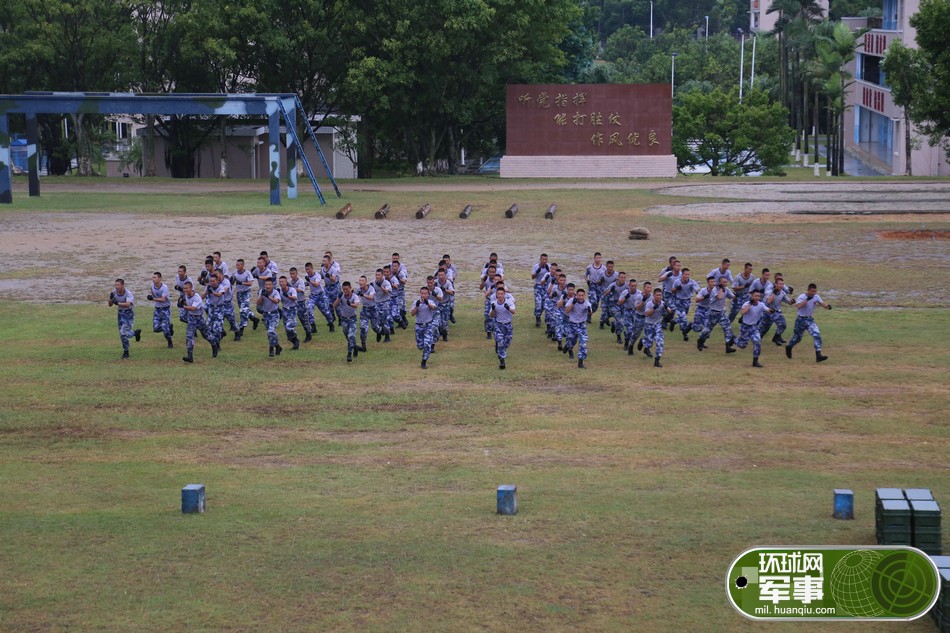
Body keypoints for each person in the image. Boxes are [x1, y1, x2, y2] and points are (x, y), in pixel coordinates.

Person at [786, 283, 831, 363]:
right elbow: (798, 306)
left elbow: (822, 303)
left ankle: (818, 355)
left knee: (816, 335)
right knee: (797, 338)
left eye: (815, 291)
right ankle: (789, 347)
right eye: (812, 291)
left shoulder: (816, 296)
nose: (813, 293)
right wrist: (807, 299)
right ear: (808, 290)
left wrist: (827, 306)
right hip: (800, 320)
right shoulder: (802, 297)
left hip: (810, 319)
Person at [180, 280, 218, 363]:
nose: (185, 290)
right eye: (184, 288)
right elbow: (186, 302)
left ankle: (214, 344)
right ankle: (190, 356)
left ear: (191, 288)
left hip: (199, 318)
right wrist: (182, 302)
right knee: (189, 336)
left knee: (206, 335)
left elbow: (193, 308)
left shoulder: (197, 298)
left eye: (186, 288)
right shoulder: (186, 295)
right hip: (191, 318)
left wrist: (183, 306)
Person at [697, 276, 737, 353]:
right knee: (707, 330)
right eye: (723, 282)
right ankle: (700, 341)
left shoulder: (726, 289)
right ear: (719, 283)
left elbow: (732, 297)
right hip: (713, 313)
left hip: (721, 313)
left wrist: (736, 295)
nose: (725, 284)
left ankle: (728, 346)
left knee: (727, 328)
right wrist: (721, 289)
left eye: (726, 282)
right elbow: (719, 297)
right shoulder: (715, 290)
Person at [734, 289, 772, 367]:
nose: (757, 297)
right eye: (755, 296)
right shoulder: (746, 303)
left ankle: (755, 361)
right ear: (752, 296)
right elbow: (743, 312)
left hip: (754, 327)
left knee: (757, 342)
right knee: (742, 345)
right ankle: (733, 339)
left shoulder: (761, 304)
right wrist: (750, 304)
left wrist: (772, 310)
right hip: (745, 327)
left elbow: (767, 310)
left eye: (758, 296)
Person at [559, 286, 592, 368]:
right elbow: (566, 311)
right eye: (579, 295)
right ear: (576, 295)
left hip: (581, 325)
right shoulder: (571, 300)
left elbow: (590, 314)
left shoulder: (587, 303)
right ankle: (568, 346)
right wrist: (573, 303)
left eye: (582, 296)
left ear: (584, 296)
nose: (580, 297)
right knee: (571, 341)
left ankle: (580, 362)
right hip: (572, 324)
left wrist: (589, 310)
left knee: (583, 343)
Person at [108, 278, 141, 359]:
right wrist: (110, 299)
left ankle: (127, 350)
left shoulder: (128, 293)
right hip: (120, 314)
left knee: (123, 333)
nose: (116, 287)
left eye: (118, 285)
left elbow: (128, 304)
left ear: (122, 285)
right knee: (121, 334)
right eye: (115, 285)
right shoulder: (114, 292)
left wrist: (118, 303)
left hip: (128, 315)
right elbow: (110, 305)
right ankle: (126, 350)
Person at [760, 275, 795, 345]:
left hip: (777, 312)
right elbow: (768, 302)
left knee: (783, 325)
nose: (782, 286)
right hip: (768, 312)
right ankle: (757, 338)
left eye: (783, 284)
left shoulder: (782, 292)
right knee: (764, 329)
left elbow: (788, 301)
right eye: (780, 284)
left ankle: (776, 337)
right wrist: (774, 293)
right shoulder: (770, 291)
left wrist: (792, 301)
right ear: (776, 284)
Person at [410, 287, 439, 369]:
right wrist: (417, 306)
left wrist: (427, 304)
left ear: (428, 294)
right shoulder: (416, 302)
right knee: (420, 346)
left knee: (427, 344)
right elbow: (412, 313)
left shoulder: (430, 302)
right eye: (422, 293)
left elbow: (433, 308)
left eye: (425, 293)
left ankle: (424, 361)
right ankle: (423, 349)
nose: (423, 295)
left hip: (428, 326)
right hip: (418, 326)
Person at [642, 288, 671, 367]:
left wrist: (666, 307)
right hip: (649, 325)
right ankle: (643, 342)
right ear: (654, 296)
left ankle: (657, 360)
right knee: (649, 343)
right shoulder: (649, 304)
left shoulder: (662, 303)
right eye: (657, 295)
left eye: (660, 295)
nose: (659, 297)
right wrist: (654, 308)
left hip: (657, 325)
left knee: (660, 342)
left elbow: (670, 312)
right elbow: (647, 314)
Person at [333, 281, 361, 362]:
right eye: (344, 289)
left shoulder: (354, 296)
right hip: (344, 319)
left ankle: (349, 354)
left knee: (351, 336)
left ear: (350, 288)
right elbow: (334, 305)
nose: (345, 291)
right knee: (348, 337)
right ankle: (355, 347)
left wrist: (350, 304)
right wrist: (338, 298)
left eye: (347, 289)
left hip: (352, 319)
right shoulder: (342, 296)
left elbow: (356, 305)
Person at [489, 286, 516, 369]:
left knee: (507, 343)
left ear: (504, 294)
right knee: (500, 341)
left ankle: (501, 349)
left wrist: (508, 308)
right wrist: (493, 309)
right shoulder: (494, 303)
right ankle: (502, 361)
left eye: (501, 294)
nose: (500, 295)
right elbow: (491, 315)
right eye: (498, 294)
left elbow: (514, 311)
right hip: (498, 325)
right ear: (496, 295)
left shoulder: (509, 302)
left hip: (508, 325)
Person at [232, 258, 259, 339]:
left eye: (238, 265)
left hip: (246, 293)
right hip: (239, 293)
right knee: (244, 309)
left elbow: (250, 283)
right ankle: (254, 319)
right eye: (236, 265)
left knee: (243, 311)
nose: (237, 266)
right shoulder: (234, 273)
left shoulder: (247, 273)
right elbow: (232, 282)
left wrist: (241, 283)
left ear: (243, 265)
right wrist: (231, 281)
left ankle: (241, 329)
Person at [304, 262, 334, 332]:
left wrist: (309, 280)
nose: (307, 271)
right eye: (306, 270)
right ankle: (313, 327)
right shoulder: (307, 275)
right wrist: (304, 284)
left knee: (325, 312)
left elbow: (316, 284)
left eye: (308, 269)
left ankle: (331, 324)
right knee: (308, 308)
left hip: (320, 296)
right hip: (313, 296)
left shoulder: (317, 275)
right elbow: (308, 284)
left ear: (312, 268)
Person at [671, 268, 700, 341]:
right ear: (682, 275)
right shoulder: (677, 282)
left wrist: (697, 292)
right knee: (683, 317)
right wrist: (677, 289)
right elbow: (672, 290)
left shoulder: (692, 282)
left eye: (688, 274)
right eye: (685, 274)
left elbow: (696, 289)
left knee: (682, 316)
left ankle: (674, 321)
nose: (687, 276)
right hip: (679, 301)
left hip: (687, 301)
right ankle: (685, 332)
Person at [256, 278, 283, 357]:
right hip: (266, 315)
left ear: (272, 285)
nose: (268, 286)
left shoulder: (275, 292)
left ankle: (271, 348)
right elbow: (258, 303)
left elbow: (277, 301)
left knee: (271, 331)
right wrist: (261, 295)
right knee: (270, 334)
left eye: (269, 285)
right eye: (266, 285)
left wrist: (268, 296)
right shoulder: (262, 291)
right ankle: (277, 346)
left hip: (274, 314)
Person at [147, 272, 173, 348]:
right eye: (153, 277)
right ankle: (168, 327)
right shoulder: (152, 286)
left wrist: (153, 299)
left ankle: (170, 342)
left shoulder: (164, 287)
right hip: (157, 310)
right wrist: (150, 296)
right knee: (156, 328)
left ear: (160, 279)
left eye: (155, 277)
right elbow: (153, 293)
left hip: (165, 309)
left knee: (165, 330)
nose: (153, 279)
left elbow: (163, 299)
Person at [289, 267, 314, 342]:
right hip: (294, 303)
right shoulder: (290, 282)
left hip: (301, 303)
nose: (292, 275)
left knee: (304, 319)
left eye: (293, 274)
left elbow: (300, 290)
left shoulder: (300, 281)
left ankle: (308, 333)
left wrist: (291, 288)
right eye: (291, 274)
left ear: (297, 274)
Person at [617, 278, 641, 352]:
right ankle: (627, 343)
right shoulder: (625, 292)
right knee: (630, 329)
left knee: (635, 330)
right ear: (629, 285)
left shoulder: (639, 293)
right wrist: (625, 298)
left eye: (635, 286)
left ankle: (626, 335)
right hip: (627, 311)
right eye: (632, 286)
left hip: (636, 312)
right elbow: (619, 302)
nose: (633, 287)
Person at [277, 275, 301, 350]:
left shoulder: (292, 290)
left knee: (289, 326)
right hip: (284, 310)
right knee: (287, 329)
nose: (281, 283)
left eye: (283, 282)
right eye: (280, 282)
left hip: (292, 309)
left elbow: (295, 297)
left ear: (286, 282)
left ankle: (296, 340)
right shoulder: (279, 291)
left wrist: (287, 296)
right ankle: (294, 342)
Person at [602, 270, 626, 342]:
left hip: (623, 304)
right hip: (614, 304)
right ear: (618, 278)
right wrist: (610, 290)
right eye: (621, 277)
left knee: (623, 321)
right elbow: (605, 293)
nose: (623, 279)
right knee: (620, 321)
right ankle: (619, 335)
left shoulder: (627, 285)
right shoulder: (613, 285)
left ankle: (614, 323)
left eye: (624, 277)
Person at [356, 275, 377, 353]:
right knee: (363, 327)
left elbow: (371, 297)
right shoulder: (359, 289)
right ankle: (363, 345)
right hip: (364, 310)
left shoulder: (371, 288)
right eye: (360, 280)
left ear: (366, 282)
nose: (360, 282)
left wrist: (363, 295)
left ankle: (380, 332)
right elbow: (354, 297)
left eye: (362, 281)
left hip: (373, 309)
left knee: (375, 327)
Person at [372, 268, 393, 342]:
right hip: (376, 303)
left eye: (379, 275)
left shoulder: (386, 283)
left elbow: (386, 292)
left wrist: (381, 286)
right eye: (376, 275)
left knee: (385, 320)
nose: (377, 276)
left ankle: (387, 337)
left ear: (382, 275)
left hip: (385, 303)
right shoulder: (373, 282)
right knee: (377, 320)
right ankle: (379, 332)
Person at [597, 260, 619, 329]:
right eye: (609, 267)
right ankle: (602, 322)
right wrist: (601, 281)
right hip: (604, 294)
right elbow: (598, 283)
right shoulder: (602, 274)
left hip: (612, 295)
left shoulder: (616, 275)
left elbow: (618, 284)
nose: (610, 268)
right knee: (604, 309)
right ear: (606, 267)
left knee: (612, 309)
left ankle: (607, 319)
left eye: (612, 267)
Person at [585, 252, 606, 323]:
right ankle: (587, 312)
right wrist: (587, 281)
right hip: (592, 285)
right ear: (594, 258)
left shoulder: (604, 268)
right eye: (597, 258)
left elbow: (605, 277)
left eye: (599, 258)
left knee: (596, 305)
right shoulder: (589, 267)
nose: (598, 259)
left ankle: (589, 314)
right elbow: (586, 275)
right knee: (593, 301)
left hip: (599, 287)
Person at [435, 268, 455, 342]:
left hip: (446, 304)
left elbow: (452, 292)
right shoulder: (435, 283)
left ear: (445, 275)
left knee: (445, 322)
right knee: (438, 321)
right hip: (438, 304)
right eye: (439, 275)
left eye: (442, 275)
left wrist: (445, 290)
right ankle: (439, 333)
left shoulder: (448, 283)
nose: (441, 277)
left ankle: (445, 335)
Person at [531, 253, 550, 328]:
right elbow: (532, 277)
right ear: (540, 259)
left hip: (546, 287)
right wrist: (537, 272)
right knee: (538, 302)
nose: (544, 261)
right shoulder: (536, 266)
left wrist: (549, 270)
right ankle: (537, 318)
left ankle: (539, 315)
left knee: (544, 304)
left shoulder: (549, 266)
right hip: (538, 286)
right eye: (543, 259)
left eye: (546, 259)